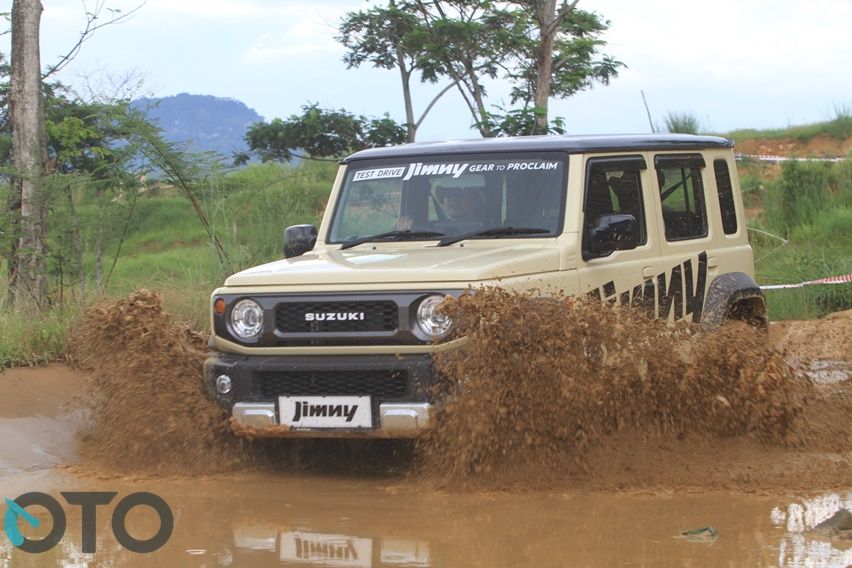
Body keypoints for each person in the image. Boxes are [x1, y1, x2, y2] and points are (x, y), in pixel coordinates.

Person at [395, 185, 487, 232]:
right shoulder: (428, 228)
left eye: (460, 194)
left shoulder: (489, 230)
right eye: (448, 194)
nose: (453, 199)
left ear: (475, 200)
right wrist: (403, 230)